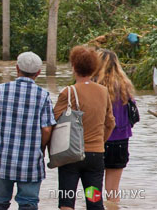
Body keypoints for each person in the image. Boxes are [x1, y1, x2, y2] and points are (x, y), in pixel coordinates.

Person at [0, 51, 56, 210]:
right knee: (28, 204)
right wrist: (40, 148)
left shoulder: (0, 90)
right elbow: (47, 129)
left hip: (1, 160)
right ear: (38, 73)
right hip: (30, 162)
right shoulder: (43, 95)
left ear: (17, 68)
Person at [54, 46, 115, 210]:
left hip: (71, 157)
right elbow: (110, 123)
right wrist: (99, 142)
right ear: (94, 68)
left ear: (73, 67)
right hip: (95, 157)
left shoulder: (68, 92)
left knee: (67, 201)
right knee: (94, 201)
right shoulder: (103, 92)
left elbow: (53, 121)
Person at [93, 49, 136, 203]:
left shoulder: (93, 85)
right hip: (121, 141)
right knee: (113, 190)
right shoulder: (125, 86)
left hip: (97, 140)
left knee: (93, 188)